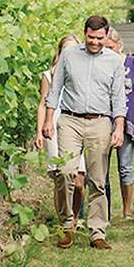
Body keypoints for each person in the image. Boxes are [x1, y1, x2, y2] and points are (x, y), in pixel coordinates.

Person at [42, 15, 126, 250]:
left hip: (100, 122)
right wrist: (48, 119)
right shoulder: (69, 55)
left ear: (106, 36)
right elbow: (55, 88)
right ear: (85, 33)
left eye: (100, 38)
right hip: (70, 120)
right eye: (91, 37)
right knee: (65, 171)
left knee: (97, 180)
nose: (95, 42)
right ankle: (66, 224)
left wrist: (119, 127)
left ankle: (97, 231)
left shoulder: (114, 61)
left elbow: (119, 97)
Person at [34, 34, 84, 223]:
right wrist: (39, 131)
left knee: (78, 182)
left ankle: (75, 216)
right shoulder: (49, 75)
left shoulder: (84, 72)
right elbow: (42, 103)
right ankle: (65, 223)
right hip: (54, 125)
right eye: (65, 49)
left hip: (77, 123)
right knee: (60, 177)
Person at [104, 30, 134, 219]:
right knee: (102, 168)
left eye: (111, 47)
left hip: (128, 118)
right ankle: (104, 211)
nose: (108, 51)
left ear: (119, 44)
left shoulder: (132, 63)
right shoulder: (101, 63)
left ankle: (127, 210)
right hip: (104, 118)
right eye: (105, 47)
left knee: (125, 166)